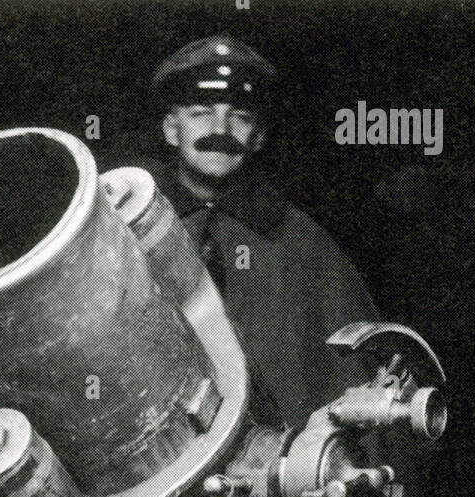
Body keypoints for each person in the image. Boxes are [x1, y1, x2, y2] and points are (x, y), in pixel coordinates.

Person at [139, 36, 379, 429]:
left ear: (259, 136)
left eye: (241, 117)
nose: (221, 129)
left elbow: (358, 389)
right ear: (170, 129)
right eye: (201, 112)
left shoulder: (304, 245)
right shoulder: (121, 236)